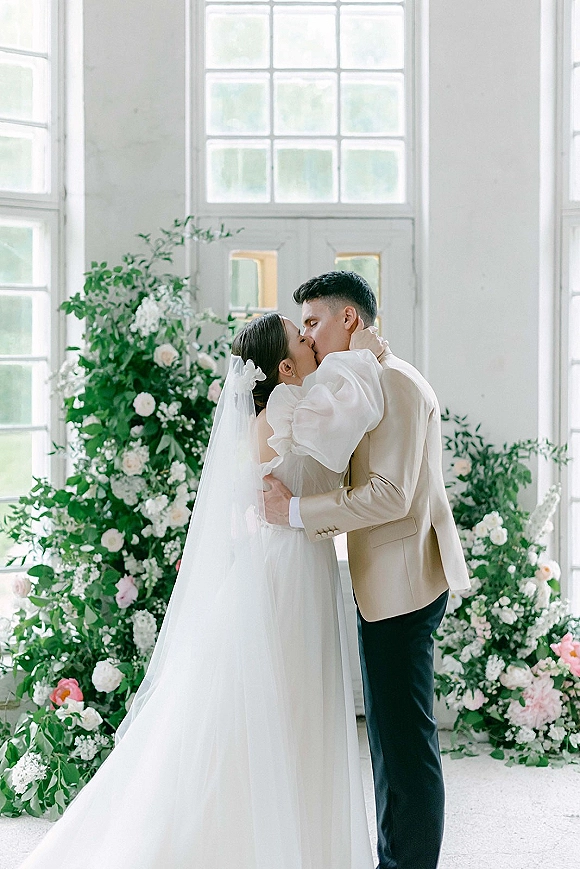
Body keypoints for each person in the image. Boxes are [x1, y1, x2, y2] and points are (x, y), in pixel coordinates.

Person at [19, 311, 385, 869]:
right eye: (301, 336)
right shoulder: (286, 409)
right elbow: (351, 423)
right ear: (286, 367)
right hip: (286, 571)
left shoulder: (277, 408)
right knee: (279, 710)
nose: (312, 340)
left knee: (293, 708)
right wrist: (365, 351)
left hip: (289, 561)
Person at [263, 271, 471, 869]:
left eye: (312, 323)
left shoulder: (394, 383)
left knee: (404, 745)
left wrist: (295, 511)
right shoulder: (364, 381)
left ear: (347, 319)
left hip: (404, 582)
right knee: (387, 739)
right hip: (386, 580)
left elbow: (390, 495)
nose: (306, 336)